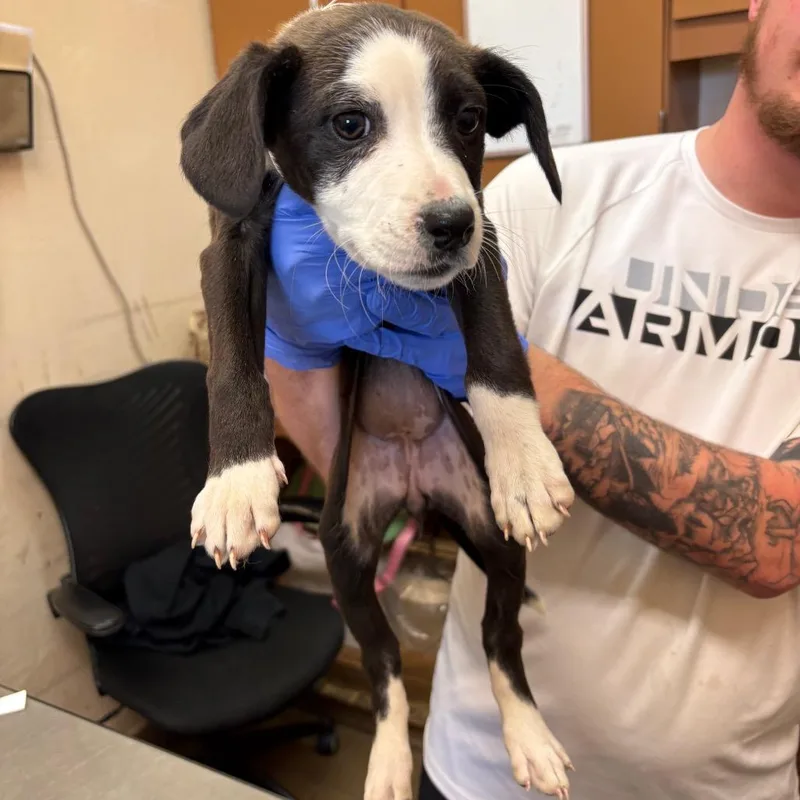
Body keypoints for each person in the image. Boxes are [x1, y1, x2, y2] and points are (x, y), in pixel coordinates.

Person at [263, 0, 800, 796]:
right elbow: (365, 449)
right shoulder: (542, 198)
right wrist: (289, 332)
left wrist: (494, 377)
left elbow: (776, 541)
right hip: (481, 768)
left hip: (732, 783)